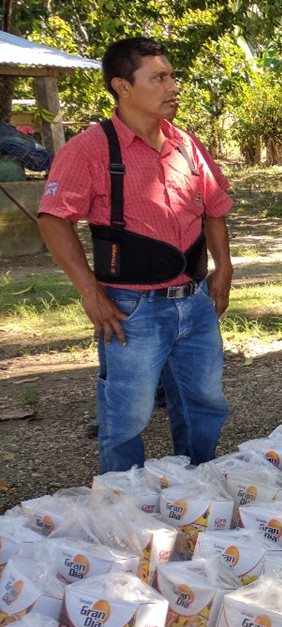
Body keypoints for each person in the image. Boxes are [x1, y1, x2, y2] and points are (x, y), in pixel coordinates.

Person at [37, 37, 233, 472]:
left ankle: (198, 484)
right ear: (122, 87)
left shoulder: (186, 144)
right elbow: (53, 219)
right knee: (128, 415)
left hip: (194, 300)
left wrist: (224, 268)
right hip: (131, 308)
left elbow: (214, 209)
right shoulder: (89, 150)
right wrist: (90, 292)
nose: (173, 86)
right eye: (158, 78)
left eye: (172, 76)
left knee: (205, 402)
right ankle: (123, 502)